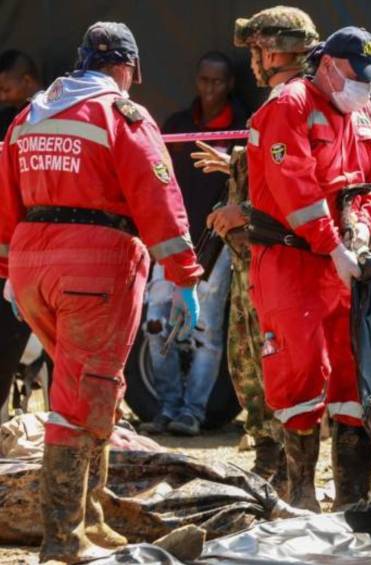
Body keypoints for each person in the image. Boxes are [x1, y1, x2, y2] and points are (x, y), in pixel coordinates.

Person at [0, 22, 203, 563]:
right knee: (77, 396)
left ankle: (91, 521)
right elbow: (159, 195)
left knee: (90, 383)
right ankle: (63, 540)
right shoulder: (122, 116)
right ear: (126, 68)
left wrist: (8, 271)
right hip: (93, 265)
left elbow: (6, 194)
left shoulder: (31, 115)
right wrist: (184, 276)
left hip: (31, 261)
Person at [208, 26, 371, 513]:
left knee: (353, 373)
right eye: (359, 77)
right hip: (291, 259)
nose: (366, 89)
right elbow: (294, 185)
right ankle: (302, 493)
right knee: (298, 371)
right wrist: (333, 245)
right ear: (330, 65)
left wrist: (360, 225)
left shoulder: (363, 110)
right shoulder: (288, 107)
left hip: (345, 262)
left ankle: (355, 496)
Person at [195, 5, 321, 492]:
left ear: (277, 50)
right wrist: (236, 164)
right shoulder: (280, 103)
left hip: (280, 257)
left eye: (257, 49)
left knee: (278, 364)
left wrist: (242, 212)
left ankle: (293, 475)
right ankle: (269, 458)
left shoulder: (296, 101)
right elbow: (275, 167)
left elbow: (301, 185)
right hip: (255, 259)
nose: (252, 60)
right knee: (247, 361)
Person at [139, 51, 248, 437]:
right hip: (170, 240)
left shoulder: (244, 126)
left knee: (205, 332)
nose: (210, 88)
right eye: (203, 80)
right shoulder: (178, 125)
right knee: (154, 325)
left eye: (218, 81)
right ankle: (168, 405)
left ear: (231, 84)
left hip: (216, 244)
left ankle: (193, 411)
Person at [0, 49, 43, 410]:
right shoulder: (5, 120)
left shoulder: (44, 116)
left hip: (42, 248)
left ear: (27, 80)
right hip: (11, 250)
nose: (0, 94)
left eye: (4, 86)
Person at [0, 49, 42, 137]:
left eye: (6, 90)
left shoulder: (53, 109)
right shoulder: (5, 119)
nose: (2, 97)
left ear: (27, 80)